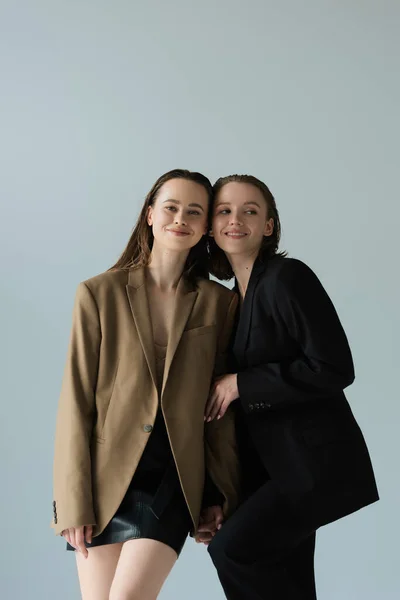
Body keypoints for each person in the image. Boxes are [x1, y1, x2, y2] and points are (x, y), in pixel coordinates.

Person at [52, 169, 240, 600]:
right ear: (150, 214)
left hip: (171, 480)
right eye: (171, 207)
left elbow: (217, 415)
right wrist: (72, 501)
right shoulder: (98, 294)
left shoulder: (219, 303)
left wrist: (220, 494)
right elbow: (76, 402)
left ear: (206, 226)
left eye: (195, 211)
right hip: (103, 484)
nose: (181, 218)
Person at [200, 174, 379, 599]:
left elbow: (334, 367)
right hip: (274, 472)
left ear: (269, 226)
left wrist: (242, 383)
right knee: (290, 580)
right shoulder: (233, 300)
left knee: (234, 552)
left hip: (312, 468)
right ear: (210, 225)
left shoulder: (286, 277)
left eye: (250, 211)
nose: (235, 220)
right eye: (224, 210)